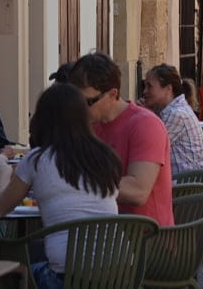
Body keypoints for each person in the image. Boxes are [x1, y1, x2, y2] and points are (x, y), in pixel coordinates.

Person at [0, 83, 121, 289]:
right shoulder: (105, 156)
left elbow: (0, 208)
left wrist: (4, 170)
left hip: (66, 279)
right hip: (118, 274)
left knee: (13, 270)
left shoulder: (38, 158)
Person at [69, 52, 173, 226]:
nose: (79, 109)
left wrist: (77, 182)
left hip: (145, 235)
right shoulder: (89, 125)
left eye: (87, 102)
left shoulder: (145, 125)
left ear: (112, 94)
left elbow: (137, 191)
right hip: (102, 229)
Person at [142, 64, 203, 174]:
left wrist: (142, 115)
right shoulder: (169, 111)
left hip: (185, 181)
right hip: (185, 177)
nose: (144, 91)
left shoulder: (176, 114)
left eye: (149, 86)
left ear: (168, 88)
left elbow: (148, 147)